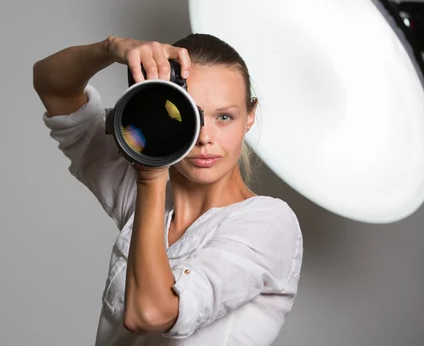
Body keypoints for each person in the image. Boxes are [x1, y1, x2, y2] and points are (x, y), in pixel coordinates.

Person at [33, 34, 303, 346]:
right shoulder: (144, 193)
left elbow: (148, 313)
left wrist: (151, 173)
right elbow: (52, 86)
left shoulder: (269, 222)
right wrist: (109, 49)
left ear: (250, 116)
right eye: (191, 115)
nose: (205, 138)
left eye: (225, 117)